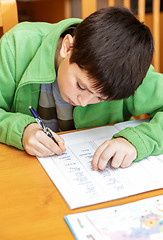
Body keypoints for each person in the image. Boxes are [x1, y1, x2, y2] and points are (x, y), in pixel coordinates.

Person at [0, 6, 163, 171]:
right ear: (67, 47)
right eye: (80, 86)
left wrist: (136, 141)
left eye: (100, 98)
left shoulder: (127, 71)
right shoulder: (17, 46)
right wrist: (22, 130)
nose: (83, 102)